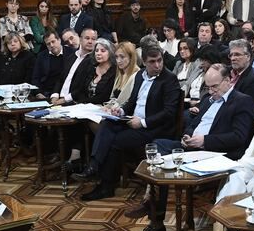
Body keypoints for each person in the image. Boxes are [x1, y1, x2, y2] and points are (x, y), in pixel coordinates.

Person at [127, 63, 254, 231]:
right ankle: (154, 218)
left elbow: (239, 137)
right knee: (157, 148)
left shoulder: (242, 101)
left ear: (228, 81)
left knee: (162, 161)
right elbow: (193, 124)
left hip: (217, 154)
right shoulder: (207, 99)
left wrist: (205, 140)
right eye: (208, 87)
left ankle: (152, 209)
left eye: (214, 87)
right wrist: (187, 135)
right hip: (193, 149)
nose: (211, 91)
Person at [75, 44, 182, 200]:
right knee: (107, 123)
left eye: (159, 60)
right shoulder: (139, 76)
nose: (157, 65)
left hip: (154, 128)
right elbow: (132, 101)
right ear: (144, 62)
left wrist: (143, 122)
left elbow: (169, 113)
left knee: (114, 141)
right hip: (132, 121)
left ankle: (105, 185)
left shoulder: (169, 79)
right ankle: (94, 166)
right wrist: (122, 111)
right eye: (152, 62)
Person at [51, 27, 97, 105]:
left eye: (93, 39)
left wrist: (64, 100)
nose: (90, 41)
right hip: (58, 99)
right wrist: (54, 95)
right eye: (87, 38)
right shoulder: (71, 56)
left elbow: (83, 87)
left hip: (74, 102)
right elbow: (61, 78)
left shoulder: (94, 61)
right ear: (81, 39)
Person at [31, 30, 68, 100]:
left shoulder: (71, 53)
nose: (51, 45)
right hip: (46, 93)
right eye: (48, 44)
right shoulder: (41, 56)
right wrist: (38, 93)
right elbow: (36, 77)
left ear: (59, 40)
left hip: (65, 92)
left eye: (53, 42)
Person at [228, 39, 254, 104]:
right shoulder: (227, 72)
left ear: (248, 57)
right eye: (231, 55)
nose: (232, 58)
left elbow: (248, 108)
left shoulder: (253, 80)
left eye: (237, 55)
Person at [111, 41, 140, 106]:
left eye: (122, 57)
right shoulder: (120, 74)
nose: (118, 60)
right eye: (116, 57)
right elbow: (112, 98)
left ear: (131, 57)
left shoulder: (138, 76)